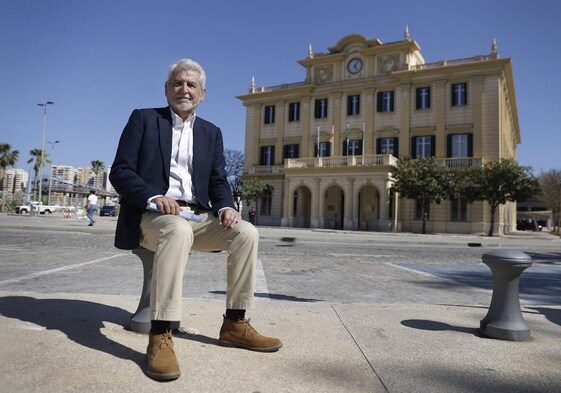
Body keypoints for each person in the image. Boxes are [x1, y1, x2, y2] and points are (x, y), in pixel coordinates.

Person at [109, 58, 282, 381]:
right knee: (176, 229)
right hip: (152, 216)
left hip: (197, 215)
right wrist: (154, 197)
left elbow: (218, 180)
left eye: (191, 85)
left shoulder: (211, 133)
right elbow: (120, 171)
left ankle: (234, 323)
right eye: (177, 83)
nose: (183, 89)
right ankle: (160, 335)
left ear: (202, 93)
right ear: (166, 89)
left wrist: (226, 206)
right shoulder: (144, 120)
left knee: (246, 233)